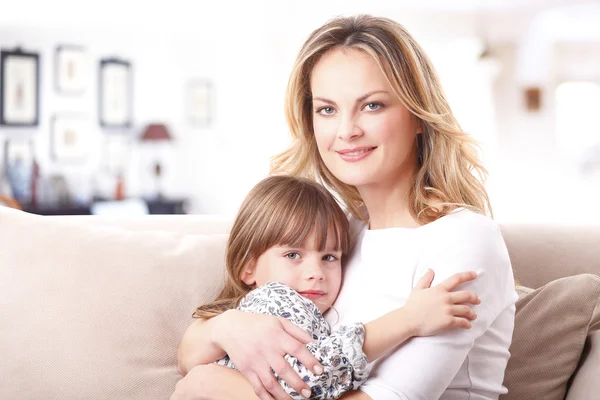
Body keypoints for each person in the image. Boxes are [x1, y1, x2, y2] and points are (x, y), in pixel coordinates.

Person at [172, 14, 517, 400]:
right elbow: (190, 355)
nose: (347, 131)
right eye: (327, 110)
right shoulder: (337, 237)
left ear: (417, 115)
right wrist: (229, 327)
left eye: (372, 106)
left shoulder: (462, 239)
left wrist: (210, 386)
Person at [184, 175, 480, 400]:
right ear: (247, 267)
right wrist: (407, 320)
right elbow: (310, 378)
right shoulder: (275, 301)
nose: (316, 273)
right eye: (292, 255)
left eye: (329, 257)